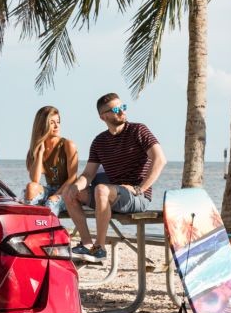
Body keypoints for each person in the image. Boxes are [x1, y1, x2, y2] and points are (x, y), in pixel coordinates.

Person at [62, 92, 166, 261]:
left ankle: (100, 248)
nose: (122, 111)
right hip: (111, 196)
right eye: (116, 109)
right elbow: (88, 174)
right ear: (103, 117)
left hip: (136, 197)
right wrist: (75, 186)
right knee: (70, 192)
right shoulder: (99, 141)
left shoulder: (138, 130)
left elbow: (160, 160)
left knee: (101, 189)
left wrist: (140, 189)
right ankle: (87, 243)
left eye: (123, 107)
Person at [25, 106, 78, 216]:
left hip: (67, 191)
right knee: (30, 188)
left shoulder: (68, 145)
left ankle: (49, 231)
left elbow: (73, 178)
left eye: (58, 122)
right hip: (49, 189)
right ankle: (31, 226)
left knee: (51, 202)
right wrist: (39, 153)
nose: (56, 126)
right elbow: (35, 179)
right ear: (42, 125)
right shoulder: (36, 149)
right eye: (52, 122)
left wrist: (56, 195)